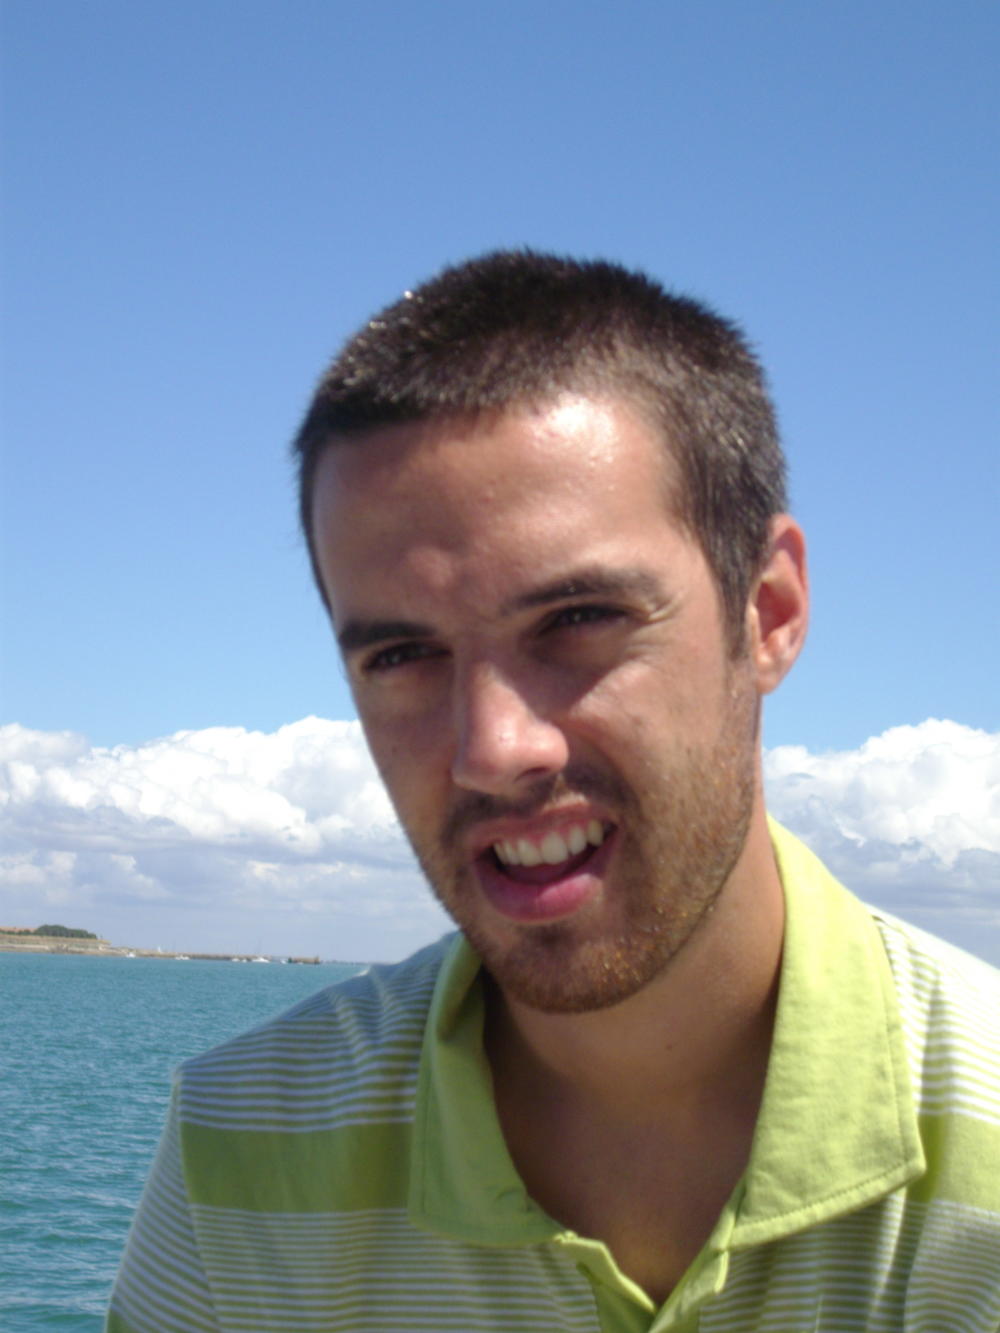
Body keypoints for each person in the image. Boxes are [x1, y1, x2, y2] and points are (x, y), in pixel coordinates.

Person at [107, 252, 1000, 1332]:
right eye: (402, 656)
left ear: (767, 611)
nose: (493, 749)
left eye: (578, 620)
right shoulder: (240, 1158)